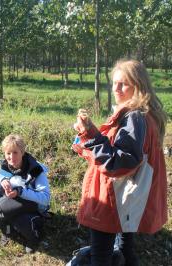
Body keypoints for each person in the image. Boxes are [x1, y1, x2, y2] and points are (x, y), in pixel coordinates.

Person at [72, 59, 168, 265]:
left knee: (101, 258)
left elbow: (120, 163)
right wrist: (87, 148)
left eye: (123, 83)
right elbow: (124, 155)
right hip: (129, 198)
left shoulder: (134, 117)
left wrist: (89, 135)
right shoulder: (146, 114)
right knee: (125, 250)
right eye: (114, 82)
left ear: (138, 85)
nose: (116, 88)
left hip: (113, 199)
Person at [0, 134, 51, 253]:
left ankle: (34, 237)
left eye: (15, 152)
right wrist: (1, 182)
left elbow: (45, 199)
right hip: (9, 205)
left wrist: (21, 192)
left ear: (22, 152)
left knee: (19, 218)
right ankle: (7, 231)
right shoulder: (3, 168)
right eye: (8, 153)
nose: (11, 157)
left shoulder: (36, 169)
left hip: (32, 208)